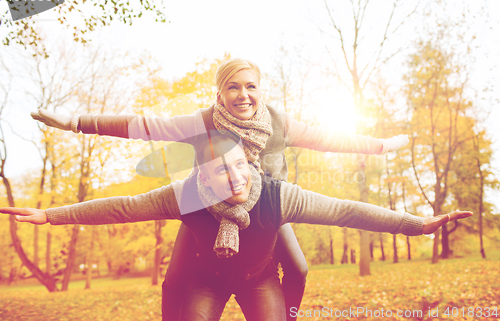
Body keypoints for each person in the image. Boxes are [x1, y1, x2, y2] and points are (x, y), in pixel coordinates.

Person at [31, 58, 410, 320]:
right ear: (219, 94)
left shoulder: (279, 123)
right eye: (233, 87)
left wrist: (381, 145)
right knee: (175, 282)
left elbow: (333, 140)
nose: (243, 95)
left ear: (260, 91)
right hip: (205, 209)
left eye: (251, 87)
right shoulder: (201, 122)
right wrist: (77, 122)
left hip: (265, 209)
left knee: (298, 266)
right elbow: (144, 125)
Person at [0, 132, 472, 321]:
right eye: (220, 172)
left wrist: (417, 225)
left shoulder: (276, 195)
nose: (234, 178)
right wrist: (50, 215)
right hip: (203, 281)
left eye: (239, 167)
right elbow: (123, 207)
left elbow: (349, 210)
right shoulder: (185, 196)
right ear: (200, 177)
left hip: (259, 279)